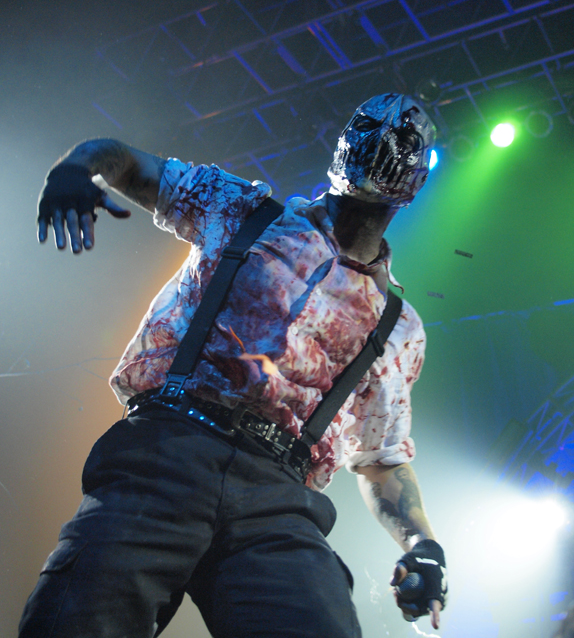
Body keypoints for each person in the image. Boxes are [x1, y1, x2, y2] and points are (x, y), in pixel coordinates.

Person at [20, 92, 448, 638]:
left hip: (277, 500)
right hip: (168, 450)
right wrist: (75, 168)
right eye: (368, 127)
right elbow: (128, 162)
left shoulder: (397, 325)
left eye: (401, 141)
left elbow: (380, 458)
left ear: (416, 178)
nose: (381, 143)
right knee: (75, 621)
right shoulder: (244, 210)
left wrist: (423, 544)